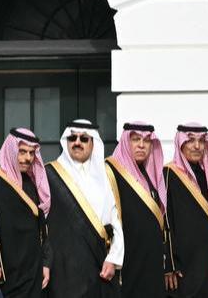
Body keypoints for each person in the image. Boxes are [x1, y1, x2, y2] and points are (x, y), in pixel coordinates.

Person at [46, 119, 124, 298]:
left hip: (99, 264)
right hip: (62, 269)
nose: (77, 142)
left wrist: (114, 258)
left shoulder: (106, 175)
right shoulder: (50, 174)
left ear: (93, 142)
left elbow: (115, 220)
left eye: (84, 138)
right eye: (72, 138)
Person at [165, 124, 208, 298]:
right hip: (182, 262)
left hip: (206, 259)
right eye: (191, 140)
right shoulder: (169, 174)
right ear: (180, 144)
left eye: (201, 141)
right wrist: (170, 264)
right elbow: (166, 221)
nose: (197, 146)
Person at [105, 122, 167, 298]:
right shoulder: (110, 171)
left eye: (146, 141)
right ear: (126, 141)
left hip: (152, 261)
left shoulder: (151, 174)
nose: (141, 145)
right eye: (136, 139)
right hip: (127, 259)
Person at [0, 128, 52, 298]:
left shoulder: (32, 183)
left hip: (33, 269)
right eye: (22, 152)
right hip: (7, 272)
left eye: (32, 153)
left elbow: (43, 229)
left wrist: (46, 262)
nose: (28, 158)